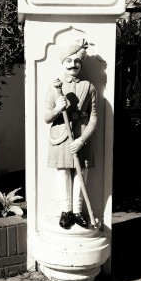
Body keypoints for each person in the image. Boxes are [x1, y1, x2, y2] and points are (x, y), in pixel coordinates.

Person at [44, 38, 97, 229]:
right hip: (61, 135)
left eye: (77, 61)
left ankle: (77, 210)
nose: (73, 64)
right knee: (63, 172)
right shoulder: (54, 87)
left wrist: (82, 139)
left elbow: (94, 118)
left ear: (81, 63)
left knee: (81, 172)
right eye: (68, 60)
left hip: (81, 135)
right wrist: (58, 108)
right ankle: (66, 211)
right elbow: (46, 117)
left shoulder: (89, 87)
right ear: (63, 62)